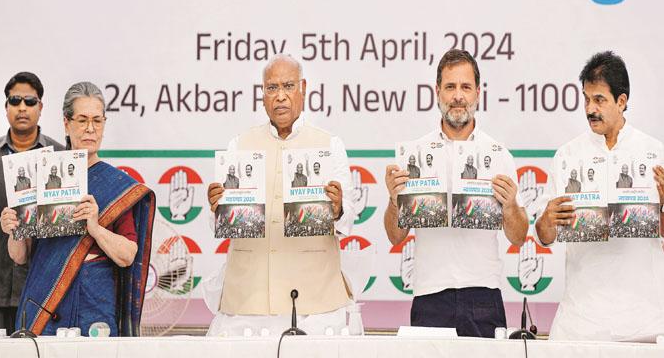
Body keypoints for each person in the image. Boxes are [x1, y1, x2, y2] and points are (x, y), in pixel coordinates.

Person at [205, 54, 356, 336]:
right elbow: (218, 225)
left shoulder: (329, 145)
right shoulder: (239, 145)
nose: (280, 97)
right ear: (262, 95)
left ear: (303, 89)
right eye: (272, 88)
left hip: (313, 305)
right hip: (248, 303)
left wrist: (337, 209)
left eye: (288, 86)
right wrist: (216, 209)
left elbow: (348, 218)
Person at [384, 49, 528, 338]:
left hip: (483, 295)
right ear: (437, 92)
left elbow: (519, 236)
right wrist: (393, 200)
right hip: (429, 295)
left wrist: (510, 205)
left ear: (478, 92)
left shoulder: (498, 154)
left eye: (465, 87)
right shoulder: (415, 154)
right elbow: (395, 237)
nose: (458, 96)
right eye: (450, 87)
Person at [0, 82, 155, 336]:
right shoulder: (38, 176)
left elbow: (127, 255)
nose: (90, 129)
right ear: (66, 123)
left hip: (94, 305)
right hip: (46, 303)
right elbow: (20, 256)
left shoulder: (116, 185)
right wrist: (13, 230)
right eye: (82, 120)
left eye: (97, 120)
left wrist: (95, 227)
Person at [535, 51, 664, 341]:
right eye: (587, 98)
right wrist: (548, 218)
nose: (590, 109)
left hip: (644, 323)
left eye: (600, 100)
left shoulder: (655, 154)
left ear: (622, 101)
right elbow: (544, 235)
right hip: (580, 323)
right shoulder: (567, 156)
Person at [0, 72, 64, 334]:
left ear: (41, 107)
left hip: (43, 290)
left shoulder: (59, 157)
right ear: (6, 107)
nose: (22, 107)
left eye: (30, 101)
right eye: (15, 100)